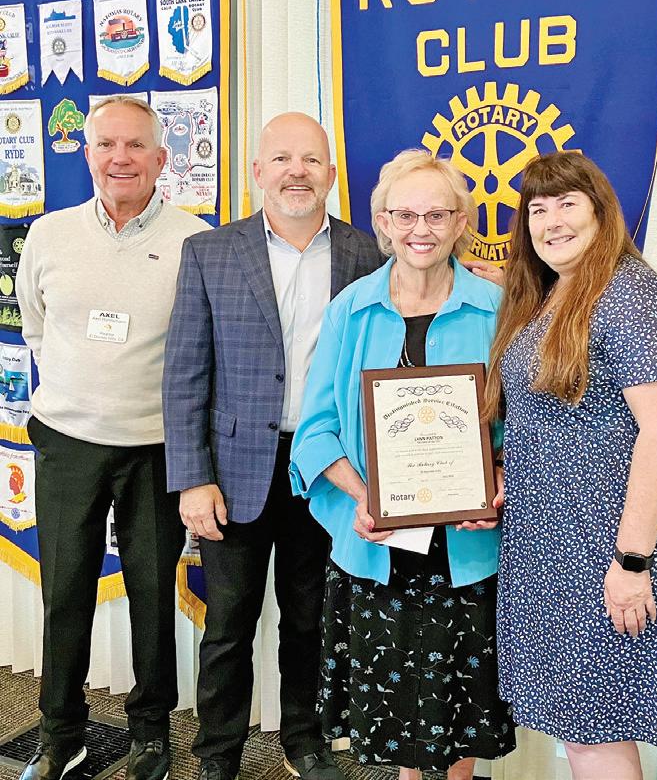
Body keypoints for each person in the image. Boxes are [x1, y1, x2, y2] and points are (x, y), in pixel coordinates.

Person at [162, 112, 382, 780]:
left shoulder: (367, 253)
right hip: (233, 472)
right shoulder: (209, 251)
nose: (296, 172)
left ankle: (304, 739)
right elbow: (185, 371)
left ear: (331, 175)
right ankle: (217, 753)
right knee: (228, 624)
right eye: (282, 159)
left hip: (327, 468)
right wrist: (192, 478)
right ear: (257, 171)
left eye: (311, 160)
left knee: (310, 616)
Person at [289, 149, 515, 780]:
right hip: (377, 545)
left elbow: (527, 428)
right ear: (383, 222)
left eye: (437, 215)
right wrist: (362, 496)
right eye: (405, 215)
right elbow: (315, 431)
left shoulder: (498, 308)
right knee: (392, 720)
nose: (421, 229)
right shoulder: (351, 309)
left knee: (460, 713)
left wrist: (498, 480)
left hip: (466, 548)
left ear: (461, 222)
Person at [483, 151, 657, 780]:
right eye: (538, 209)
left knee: (595, 726)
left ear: (601, 211)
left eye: (567, 204)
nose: (552, 221)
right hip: (557, 539)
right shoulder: (555, 293)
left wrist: (632, 562)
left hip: (613, 540)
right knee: (581, 727)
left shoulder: (629, 295)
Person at [15, 96, 210, 780]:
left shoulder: (195, 240)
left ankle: (151, 734)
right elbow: (37, 327)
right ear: (88, 153)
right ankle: (60, 733)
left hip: (156, 447)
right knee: (64, 592)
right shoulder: (48, 234)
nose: (120, 158)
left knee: (152, 597)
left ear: (161, 158)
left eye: (135, 146)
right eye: (106, 145)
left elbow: (202, 348)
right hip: (68, 443)